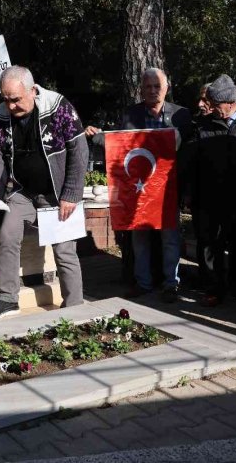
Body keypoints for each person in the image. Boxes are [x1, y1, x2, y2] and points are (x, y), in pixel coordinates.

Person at [0, 66, 89, 319]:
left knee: (64, 250)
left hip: (58, 193)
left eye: (16, 99)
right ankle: (7, 298)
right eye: (5, 99)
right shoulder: (2, 113)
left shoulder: (59, 106)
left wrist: (71, 194)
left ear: (32, 89)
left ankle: (75, 306)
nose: (10, 106)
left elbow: (80, 151)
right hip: (22, 190)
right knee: (7, 235)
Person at [86, 68, 191, 302]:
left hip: (168, 189)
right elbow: (119, 143)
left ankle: (171, 285)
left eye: (157, 86)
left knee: (170, 238)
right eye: (148, 87)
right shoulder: (130, 114)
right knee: (139, 238)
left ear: (167, 88)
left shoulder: (182, 115)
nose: (153, 91)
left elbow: (188, 152)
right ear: (141, 89)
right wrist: (97, 135)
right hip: (139, 190)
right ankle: (143, 283)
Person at [183, 74, 236, 311]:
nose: (209, 108)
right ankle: (213, 290)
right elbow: (191, 162)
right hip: (211, 196)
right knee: (210, 245)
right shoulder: (203, 127)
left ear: (231, 103)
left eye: (215, 105)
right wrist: (190, 192)